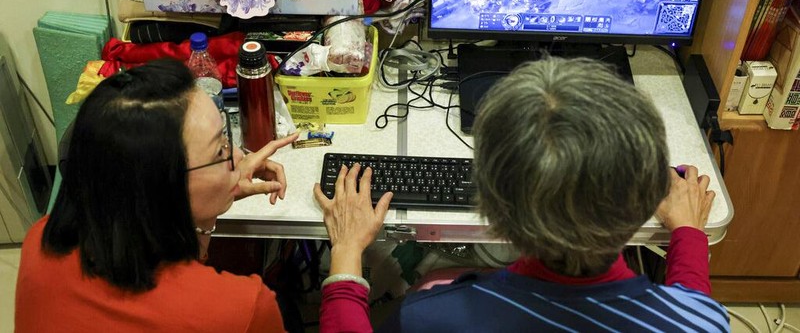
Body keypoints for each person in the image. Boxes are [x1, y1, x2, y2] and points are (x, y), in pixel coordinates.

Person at [314, 56, 730, 332]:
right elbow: (689, 310)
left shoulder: (429, 319)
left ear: (492, 207)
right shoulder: (705, 323)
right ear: (647, 196)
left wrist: (347, 251)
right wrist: (689, 234)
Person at [14, 59, 309, 332]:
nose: (236, 155)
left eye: (225, 139)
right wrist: (345, 261)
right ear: (165, 189)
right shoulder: (242, 307)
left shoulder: (39, 241)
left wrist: (216, 192)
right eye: (220, 150)